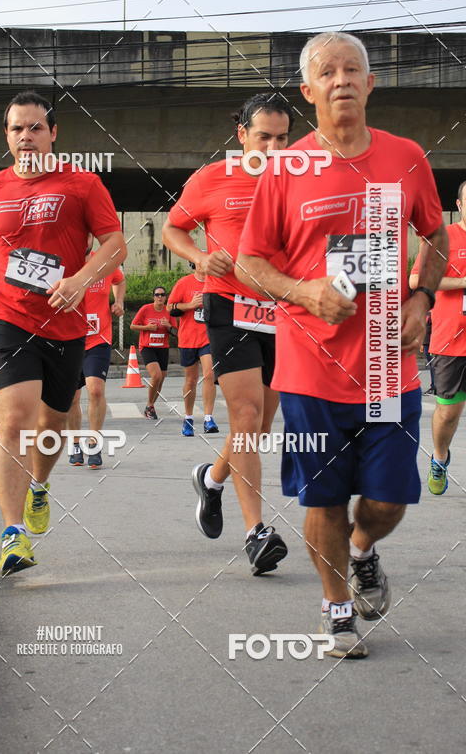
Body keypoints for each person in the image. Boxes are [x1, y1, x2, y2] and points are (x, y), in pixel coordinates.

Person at [235, 32, 448, 657]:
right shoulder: (286, 167)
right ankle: (336, 614)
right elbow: (250, 261)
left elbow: (433, 235)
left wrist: (421, 298)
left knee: (384, 501)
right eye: (328, 72)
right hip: (311, 369)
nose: (343, 79)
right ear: (309, 91)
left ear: (371, 84)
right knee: (325, 497)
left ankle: (363, 550)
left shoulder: (406, 157)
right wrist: (303, 292)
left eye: (354, 69)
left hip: (388, 364)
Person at [0, 90, 126, 575]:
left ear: (53, 133)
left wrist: (81, 279)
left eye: (36, 127)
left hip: (64, 325)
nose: (27, 135)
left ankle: (39, 488)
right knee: (14, 420)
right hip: (6, 317)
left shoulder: (82, 184)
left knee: (53, 426)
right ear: (6, 136)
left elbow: (115, 243)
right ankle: (12, 534)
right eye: (17, 128)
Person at [162, 92, 293, 576]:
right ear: (243, 135)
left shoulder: (303, 179)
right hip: (228, 305)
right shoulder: (213, 178)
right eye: (264, 137)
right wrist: (199, 258)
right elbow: (172, 230)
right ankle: (257, 532)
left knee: (257, 427)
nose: (275, 147)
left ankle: (212, 479)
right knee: (245, 413)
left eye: (283, 137)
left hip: (282, 311)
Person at [409, 177, 466, 495]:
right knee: (448, 412)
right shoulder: (442, 237)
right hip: (451, 340)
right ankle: (439, 457)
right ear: (460, 205)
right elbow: (416, 280)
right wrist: (465, 280)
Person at [68, 236, 126, 469]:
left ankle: (94, 442)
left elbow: (119, 281)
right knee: (72, 398)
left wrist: (118, 300)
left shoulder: (103, 262)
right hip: (69, 340)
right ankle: (74, 443)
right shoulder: (63, 264)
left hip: (98, 338)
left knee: (96, 390)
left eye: (87, 233)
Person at [167, 263, 218, 436]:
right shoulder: (184, 283)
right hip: (188, 339)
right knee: (191, 380)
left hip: (209, 338)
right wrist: (190, 305)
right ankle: (188, 418)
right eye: (201, 261)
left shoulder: (216, 282)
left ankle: (208, 418)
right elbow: (170, 307)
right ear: (194, 265)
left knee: (209, 374)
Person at [130, 288, 177, 419]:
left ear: (166, 297)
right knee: (156, 375)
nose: (160, 297)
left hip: (163, 347)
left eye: (162, 295)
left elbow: (176, 332)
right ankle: (150, 406)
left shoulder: (169, 311)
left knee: (161, 378)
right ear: (153, 297)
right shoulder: (146, 309)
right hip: (147, 347)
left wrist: (168, 325)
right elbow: (133, 326)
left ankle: (150, 406)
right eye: (157, 295)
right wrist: (147, 328)